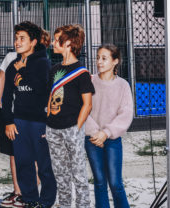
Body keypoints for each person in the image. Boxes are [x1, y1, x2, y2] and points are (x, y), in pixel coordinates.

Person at [0, 22, 56, 208]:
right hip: (19, 122)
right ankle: (30, 200)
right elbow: (6, 96)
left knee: (45, 167)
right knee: (24, 164)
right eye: (16, 38)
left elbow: (42, 91)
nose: (17, 42)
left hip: (40, 122)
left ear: (33, 42)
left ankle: (46, 203)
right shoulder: (13, 66)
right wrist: (8, 121)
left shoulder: (43, 63)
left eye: (22, 38)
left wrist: (22, 70)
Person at [45, 24, 94, 208]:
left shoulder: (81, 73)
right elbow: (50, 98)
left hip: (72, 129)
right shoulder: (54, 69)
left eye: (58, 40)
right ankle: (64, 205)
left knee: (79, 175)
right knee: (61, 174)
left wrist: (77, 127)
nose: (54, 43)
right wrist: (48, 123)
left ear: (69, 44)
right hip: (53, 129)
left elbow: (87, 104)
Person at [84, 45, 133, 208]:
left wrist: (106, 133)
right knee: (99, 182)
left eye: (104, 58)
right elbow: (83, 108)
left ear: (115, 61)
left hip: (112, 140)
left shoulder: (123, 85)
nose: (99, 62)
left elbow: (126, 114)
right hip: (92, 139)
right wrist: (95, 132)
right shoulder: (90, 81)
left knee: (115, 183)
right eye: (98, 57)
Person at [0, 51, 20, 206]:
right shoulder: (11, 57)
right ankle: (17, 191)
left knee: (35, 155)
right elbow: (2, 77)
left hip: (30, 116)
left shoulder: (40, 60)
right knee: (13, 153)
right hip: (11, 113)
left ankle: (27, 189)